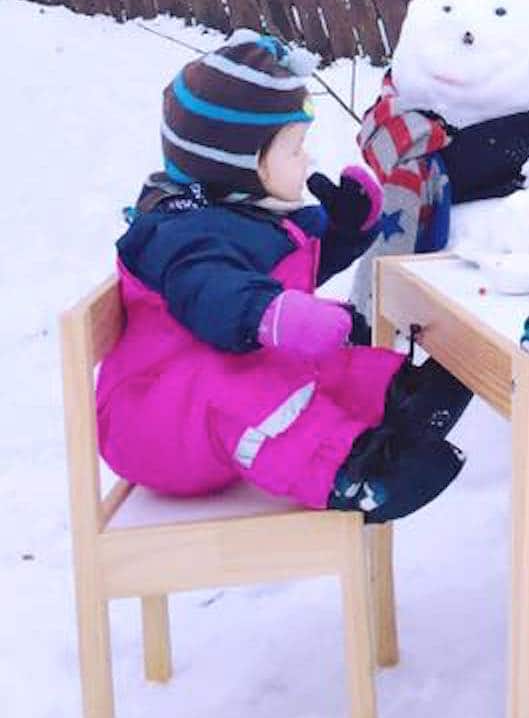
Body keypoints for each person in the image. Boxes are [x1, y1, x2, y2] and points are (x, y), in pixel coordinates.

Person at [97, 30, 474, 522]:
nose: (307, 160)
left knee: (315, 358)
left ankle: (399, 399)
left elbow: (296, 257)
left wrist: (346, 226)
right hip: (158, 425)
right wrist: (269, 313)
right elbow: (213, 291)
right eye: (294, 150)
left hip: (201, 413)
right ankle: (352, 472)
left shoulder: (246, 212)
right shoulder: (177, 233)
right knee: (243, 379)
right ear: (241, 163)